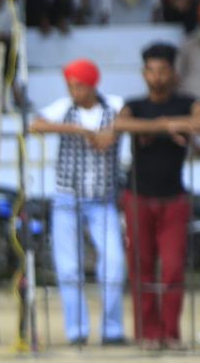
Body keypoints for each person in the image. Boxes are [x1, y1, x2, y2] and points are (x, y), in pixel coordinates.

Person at [111, 43, 200, 351]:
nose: (157, 77)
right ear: (143, 73)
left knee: (174, 267)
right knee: (141, 267)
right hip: (137, 197)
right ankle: (147, 334)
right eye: (151, 71)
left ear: (173, 73)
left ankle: (170, 333)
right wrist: (167, 125)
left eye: (163, 71)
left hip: (174, 199)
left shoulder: (187, 102)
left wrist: (167, 125)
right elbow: (118, 123)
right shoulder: (135, 105)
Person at [29, 58, 127, 347]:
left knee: (114, 263)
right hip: (66, 198)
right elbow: (34, 124)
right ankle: (77, 331)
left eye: (79, 86)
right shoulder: (64, 108)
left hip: (102, 199)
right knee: (69, 267)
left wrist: (112, 132)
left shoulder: (115, 106)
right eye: (71, 86)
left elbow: (130, 118)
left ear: (92, 84)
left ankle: (111, 330)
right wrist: (77, 129)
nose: (74, 92)